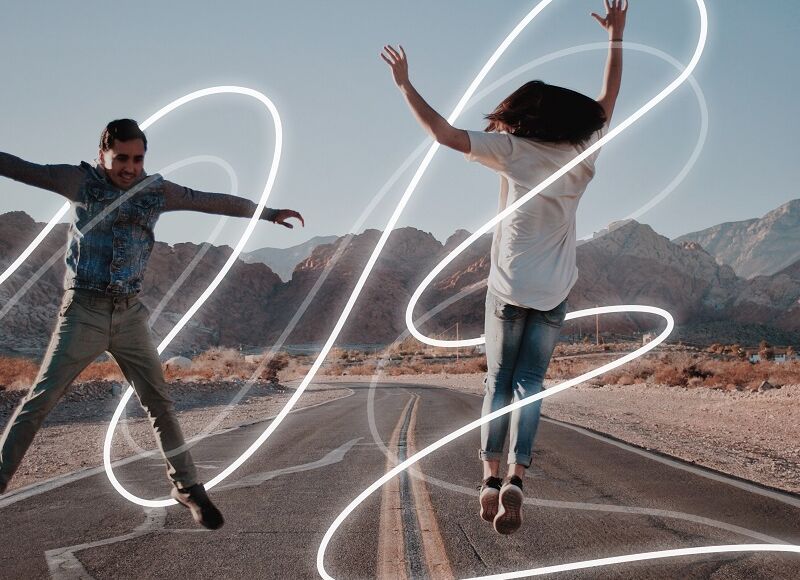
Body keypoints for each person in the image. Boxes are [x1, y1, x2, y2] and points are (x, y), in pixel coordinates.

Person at [382, 0, 627, 535]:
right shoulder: (583, 150)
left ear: (525, 113)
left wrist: (405, 85)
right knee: (531, 384)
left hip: (510, 285)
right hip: (555, 290)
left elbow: (444, 135)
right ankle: (518, 476)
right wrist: (617, 36)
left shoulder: (512, 149)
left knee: (498, 380)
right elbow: (607, 100)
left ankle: (490, 479)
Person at [0, 118, 304, 529]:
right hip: (84, 312)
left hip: (129, 315)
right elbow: (20, 168)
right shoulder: (78, 182)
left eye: (137, 159)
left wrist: (266, 213)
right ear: (102, 154)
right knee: (39, 403)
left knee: (159, 402)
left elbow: (208, 200)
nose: (129, 167)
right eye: (121, 158)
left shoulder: (155, 190)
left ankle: (187, 486)